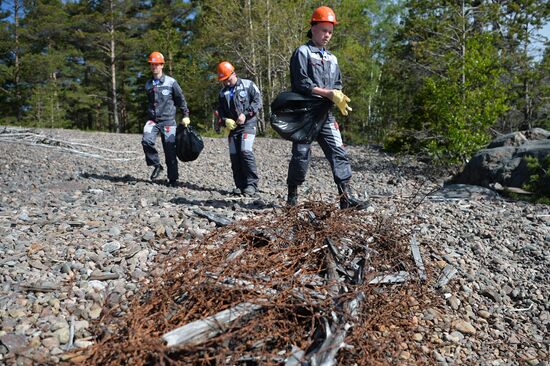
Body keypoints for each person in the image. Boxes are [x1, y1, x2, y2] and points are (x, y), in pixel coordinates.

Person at [286, 6, 366, 209]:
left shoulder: (333, 58)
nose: (327, 35)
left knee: (338, 152)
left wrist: (337, 95)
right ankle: (292, 197)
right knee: (301, 155)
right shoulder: (302, 53)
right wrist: (327, 93)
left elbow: (337, 83)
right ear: (313, 28)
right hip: (305, 115)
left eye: (330, 31)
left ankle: (345, 199)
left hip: (326, 115)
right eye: (323, 30)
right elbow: (301, 84)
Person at [141, 51, 191, 187]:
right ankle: (156, 164)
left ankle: (173, 179)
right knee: (146, 141)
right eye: (152, 64)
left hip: (168, 121)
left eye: (157, 64)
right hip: (153, 120)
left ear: (162, 65)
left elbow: (181, 99)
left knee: (170, 150)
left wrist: (185, 115)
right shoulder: (148, 84)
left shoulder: (171, 82)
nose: (154, 67)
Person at [215, 61, 262, 196]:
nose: (226, 83)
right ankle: (240, 185)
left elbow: (258, 102)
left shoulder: (248, 85)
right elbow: (220, 111)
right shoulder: (222, 93)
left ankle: (252, 184)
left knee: (245, 151)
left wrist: (245, 114)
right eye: (223, 80)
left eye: (227, 79)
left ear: (233, 74)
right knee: (235, 156)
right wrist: (224, 120)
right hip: (233, 129)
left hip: (248, 125)